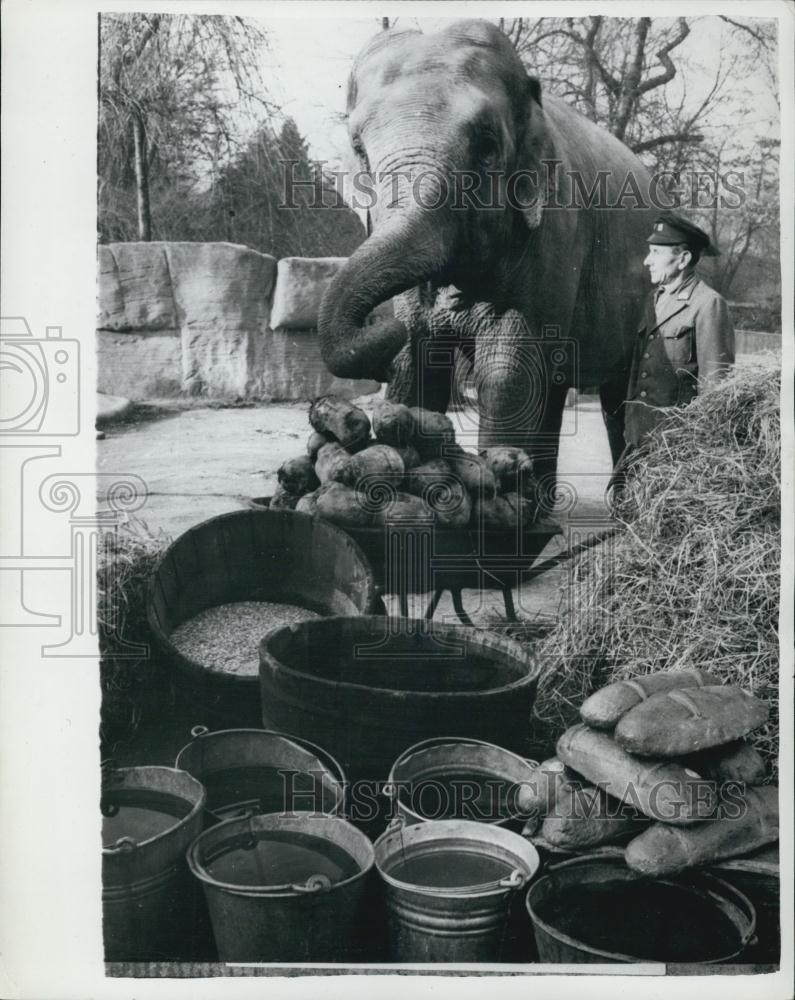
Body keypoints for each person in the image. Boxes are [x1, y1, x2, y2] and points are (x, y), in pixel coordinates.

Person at [623, 212, 735, 449]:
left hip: (676, 444)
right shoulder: (653, 300)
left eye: (656, 253)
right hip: (637, 438)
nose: (647, 261)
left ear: (683, 259)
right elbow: (638, 374)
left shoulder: (708, 304)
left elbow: (715, 392)